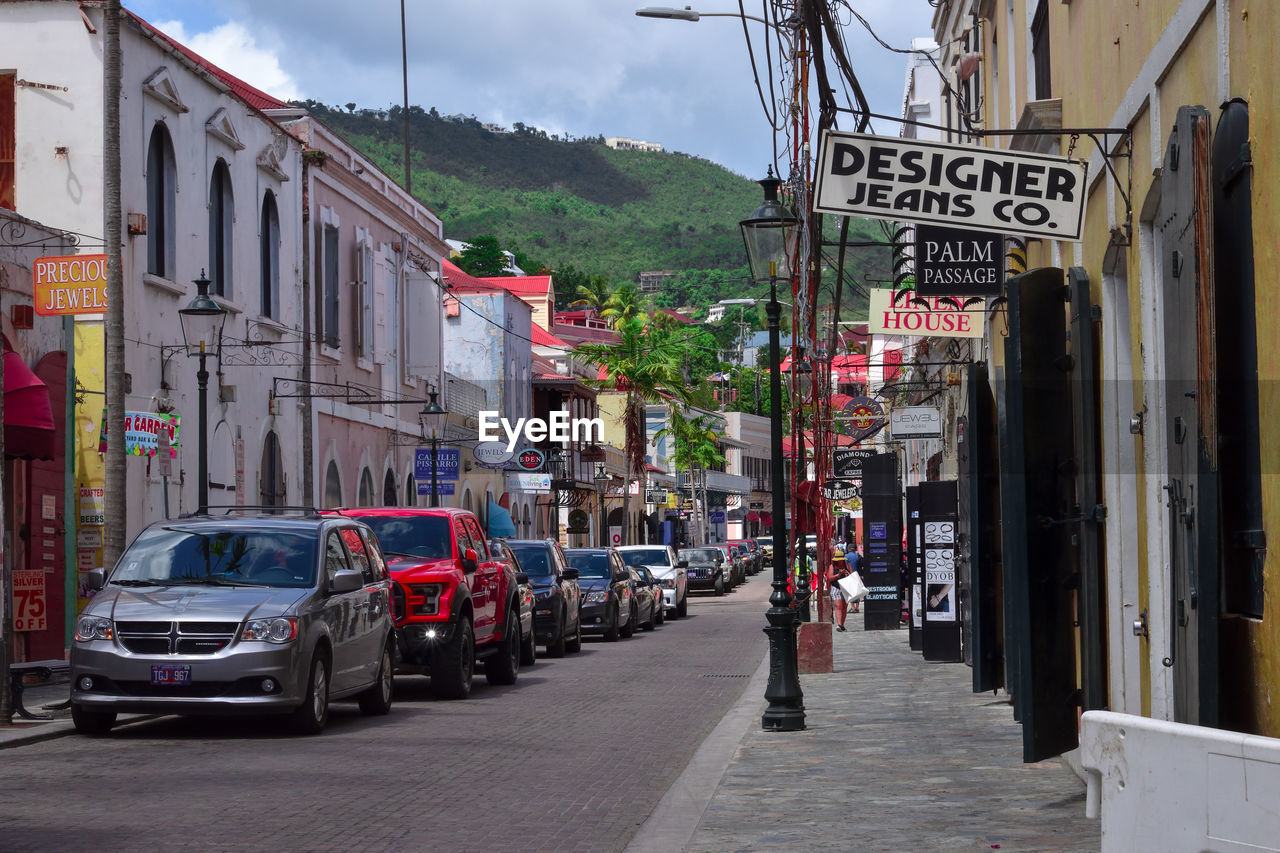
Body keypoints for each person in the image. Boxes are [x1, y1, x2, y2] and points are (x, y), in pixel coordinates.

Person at [827, 547, 853, 631]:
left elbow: (852, 575)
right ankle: (839, 625)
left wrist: (847, 574)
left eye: (841, 560)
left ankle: (842, 625)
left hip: (846, 587)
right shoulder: (832, 566)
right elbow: (830, 578)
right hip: (836, 587)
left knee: (844, 606)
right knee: (838, 606)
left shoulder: (847, 565)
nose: (840, 561)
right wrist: (838, 575)